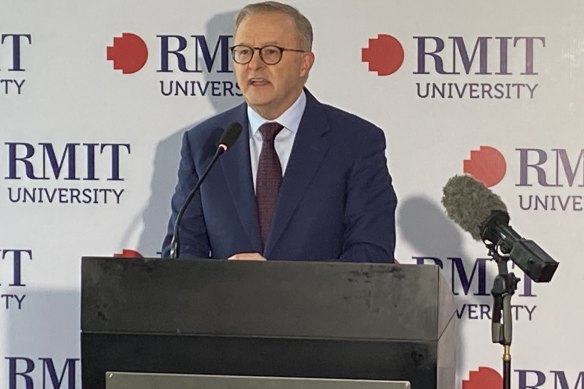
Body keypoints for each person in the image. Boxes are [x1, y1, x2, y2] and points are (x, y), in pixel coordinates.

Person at [162, 1, 397, 262]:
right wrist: (225, 285)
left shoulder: (355, 142)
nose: (254, 64)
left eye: (271, 52)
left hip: (320, 304)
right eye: (244, 52)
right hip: (226, 303)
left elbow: (371, 254)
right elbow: (182, 254)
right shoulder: (204, 144)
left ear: (304, 63)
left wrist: (285, 289)